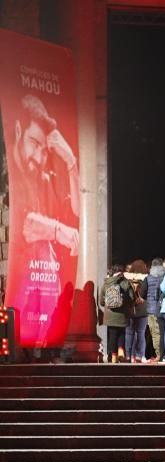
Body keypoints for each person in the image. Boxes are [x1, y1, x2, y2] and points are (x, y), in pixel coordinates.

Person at [5, 94, 80, 347]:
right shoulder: (13, 176)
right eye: (34, 142)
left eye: (44, 149)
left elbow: (77, 213)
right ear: (18, 131)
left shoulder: (45, 179)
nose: (39, 156)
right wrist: (59, 231)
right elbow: (26, 223)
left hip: (44, 288)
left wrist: (70, 163)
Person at [99, 264, 135, 363]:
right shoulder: (126, 283)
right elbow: (132, 298)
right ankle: (120, 350)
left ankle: (114, 356)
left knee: (112, 335)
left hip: (110, 314)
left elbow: (101, 302)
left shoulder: (106, 283)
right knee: (122, 333)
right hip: (122, 314)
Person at [125, 259, 149, 363]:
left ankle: (128, 355)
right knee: (141, 333)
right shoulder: (146, 279)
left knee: (129, 333)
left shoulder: (127, 279)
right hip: (143, 309)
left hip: (130, 308)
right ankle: (140, 355)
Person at [145, 257, 165, 361]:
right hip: (164, 308)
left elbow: (142, 293)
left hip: (152, 309)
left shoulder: (148, 278)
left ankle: (159, 355)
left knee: (155, 333)